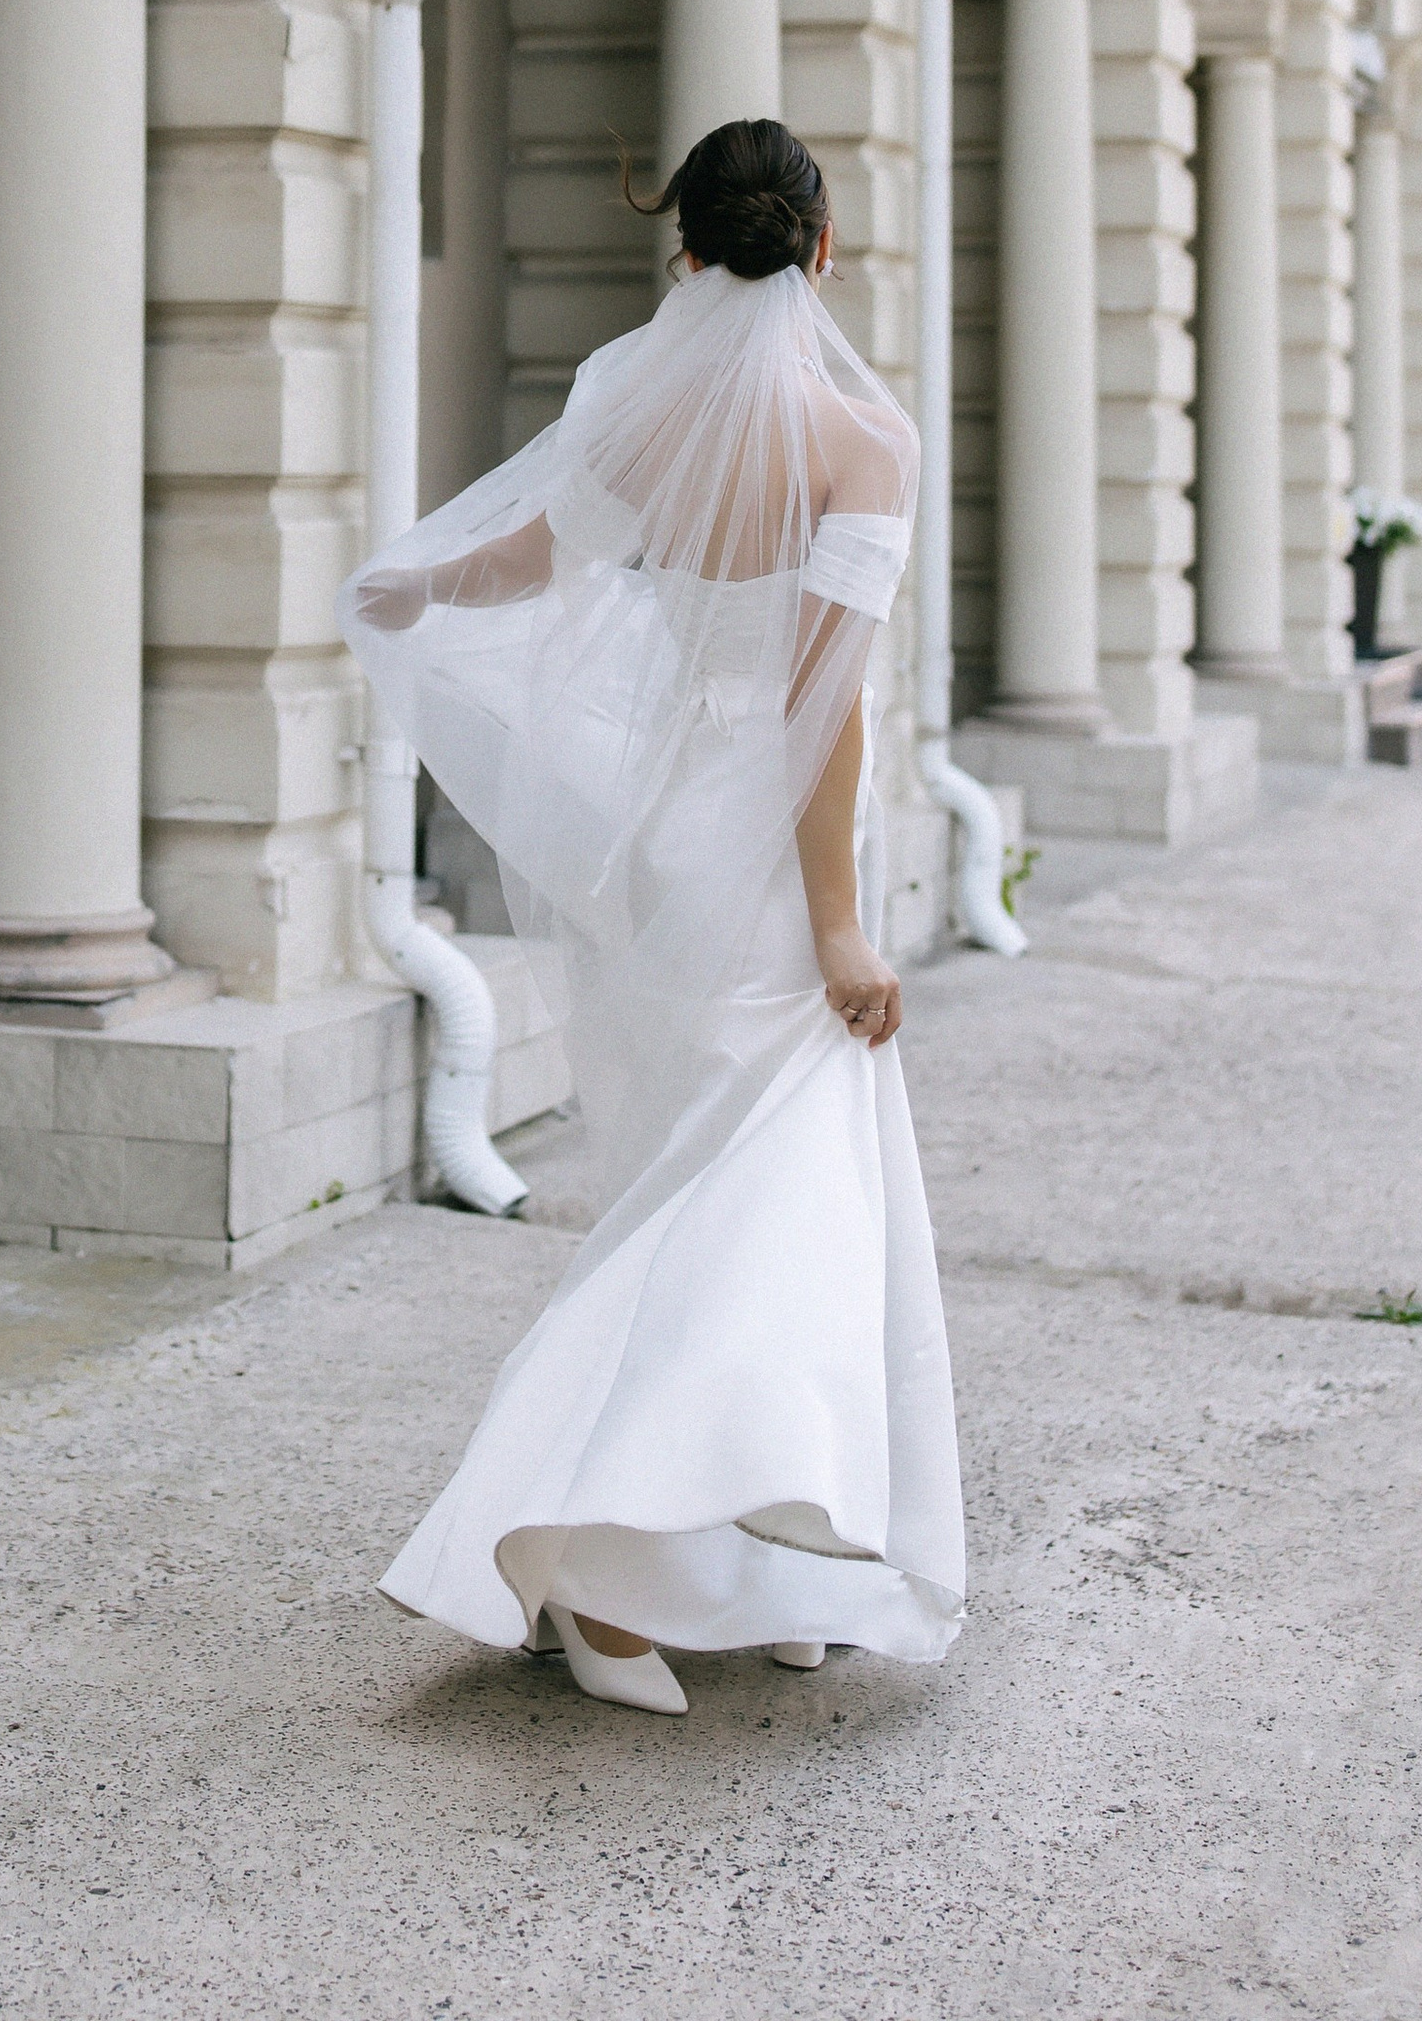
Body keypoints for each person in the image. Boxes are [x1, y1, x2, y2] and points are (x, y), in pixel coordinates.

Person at [343, 117, 963, 1713]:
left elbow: (534, 561)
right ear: (821, 246)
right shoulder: (861, 446)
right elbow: (826, 708)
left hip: (674, 823)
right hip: (771, 851)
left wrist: (414, 587)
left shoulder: (634, 407)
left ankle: (766, 1559)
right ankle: (592, 1563)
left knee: (726, 1184)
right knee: (764, 1205)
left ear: (685, 248)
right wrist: (841, 923)